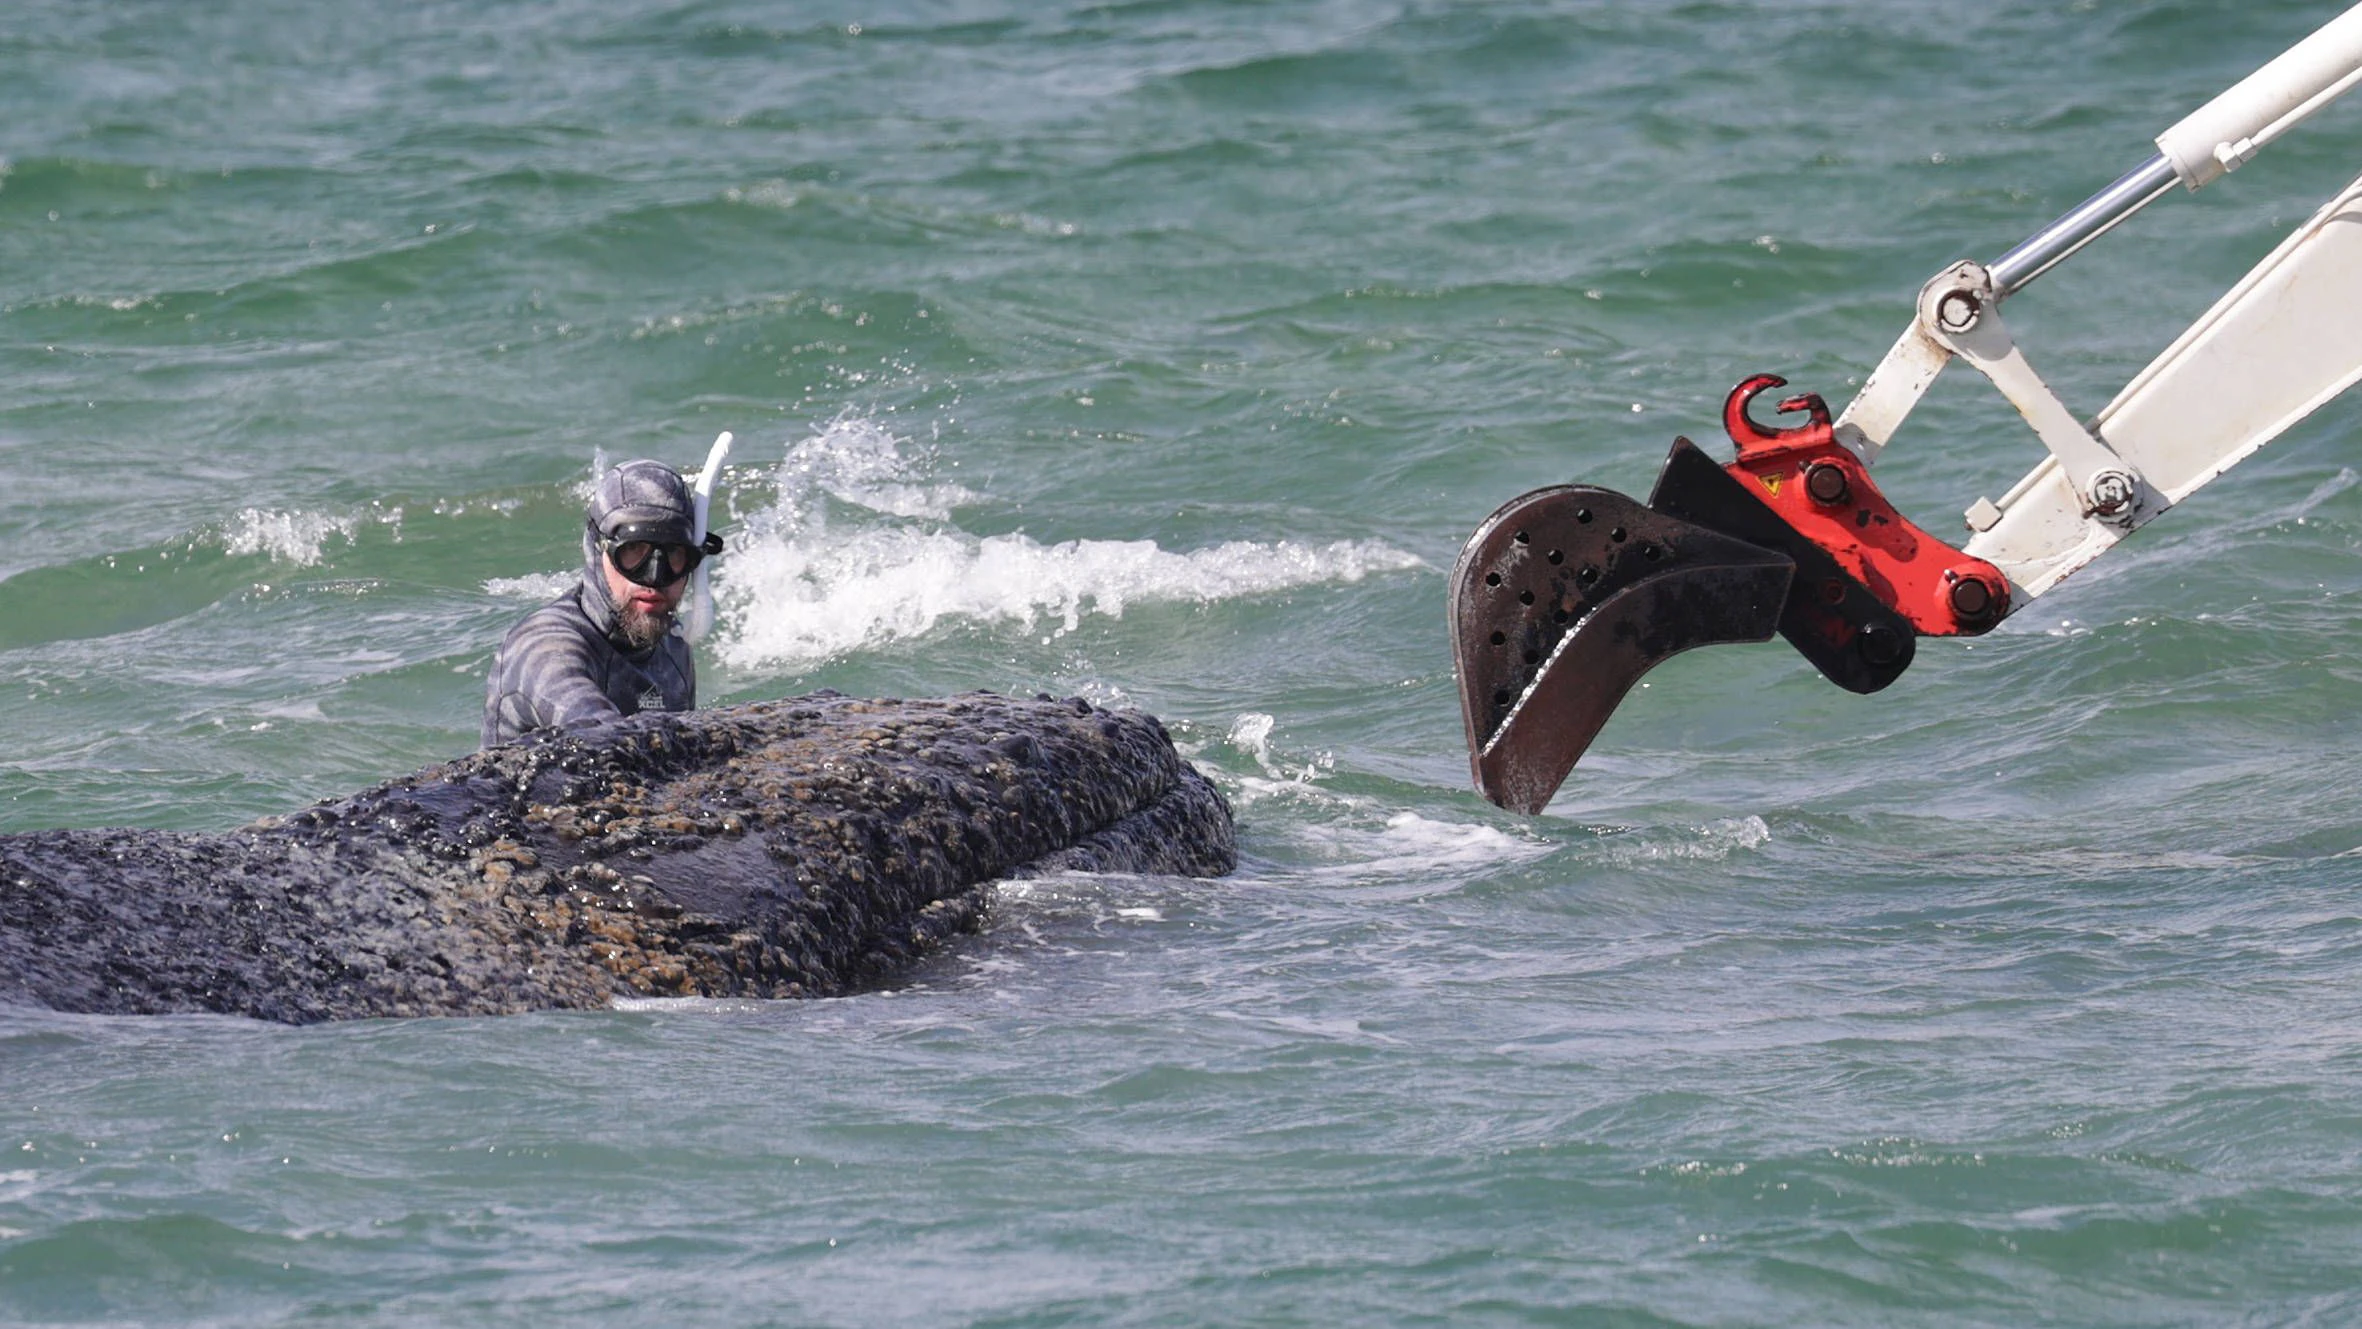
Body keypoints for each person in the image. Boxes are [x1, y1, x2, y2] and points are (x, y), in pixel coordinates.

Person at [481, 459, 723, 748]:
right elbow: (602, 737)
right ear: (597, 549)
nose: (654, 577)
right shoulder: (543, 649)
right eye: (633, 551)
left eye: (673, 553)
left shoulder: (672, 643)